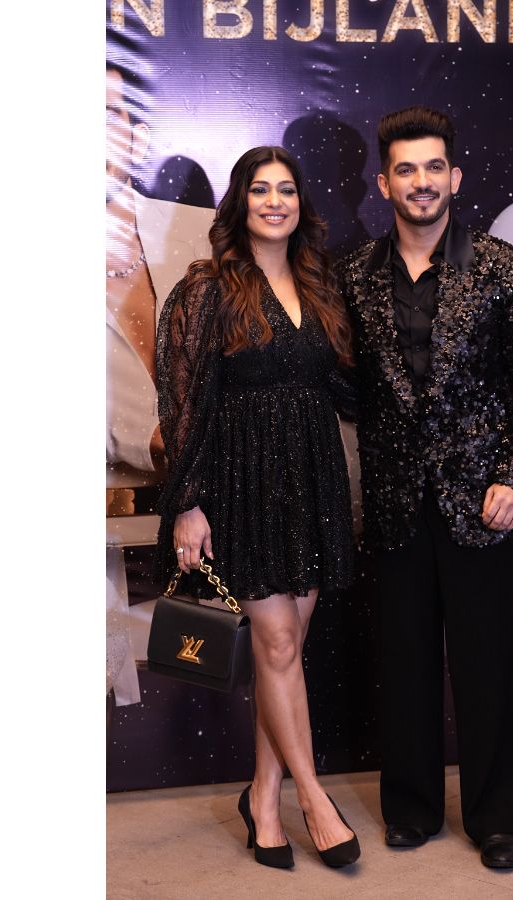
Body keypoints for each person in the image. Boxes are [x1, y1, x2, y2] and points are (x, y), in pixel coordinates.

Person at [338, 106, 513, 870]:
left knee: (488, 664)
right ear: (384, 183)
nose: (422, 181)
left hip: (481, 502)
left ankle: (497, 818)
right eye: (406, 169)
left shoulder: (504, 268)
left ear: (455, 176)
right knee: (403, 662)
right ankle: (411, 808)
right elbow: (348, 388)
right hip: (394, 500)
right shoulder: (353, 276)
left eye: (434, 167)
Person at [155, 146, 361, 869]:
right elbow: (181, 405)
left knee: (286, 652)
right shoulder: (206, 289)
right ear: (240, 202)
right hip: (242, 485)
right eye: (261, 189)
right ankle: (315, 799)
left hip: (311, 482)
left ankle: (263, 799)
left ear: (302, 203)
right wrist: (188, 504)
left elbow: (345, 388)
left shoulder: (320, 283)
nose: (275, 201)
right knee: (275, 646)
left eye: (287, 189)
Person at [105, 60, 214, 706]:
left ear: (136, 133)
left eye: (106, 115)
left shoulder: (200, 230)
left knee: (266, 658)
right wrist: (147, 438)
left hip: (224, 501)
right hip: (113, 512)